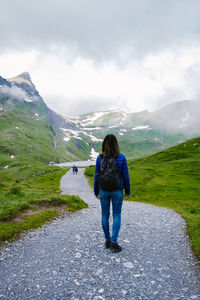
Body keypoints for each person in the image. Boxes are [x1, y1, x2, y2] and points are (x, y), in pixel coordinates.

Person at [94, 134, 130, 253]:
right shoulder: (121, 157)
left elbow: (96, 176)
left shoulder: (99, 158)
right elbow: (125, 176)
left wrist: (96, 190)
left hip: (103, 190)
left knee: (104, 215)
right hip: (117, 190)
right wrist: (128, 191)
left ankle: (107, 240)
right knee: (116, 215)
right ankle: (114, 242)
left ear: (104, 144)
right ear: (116, 144)